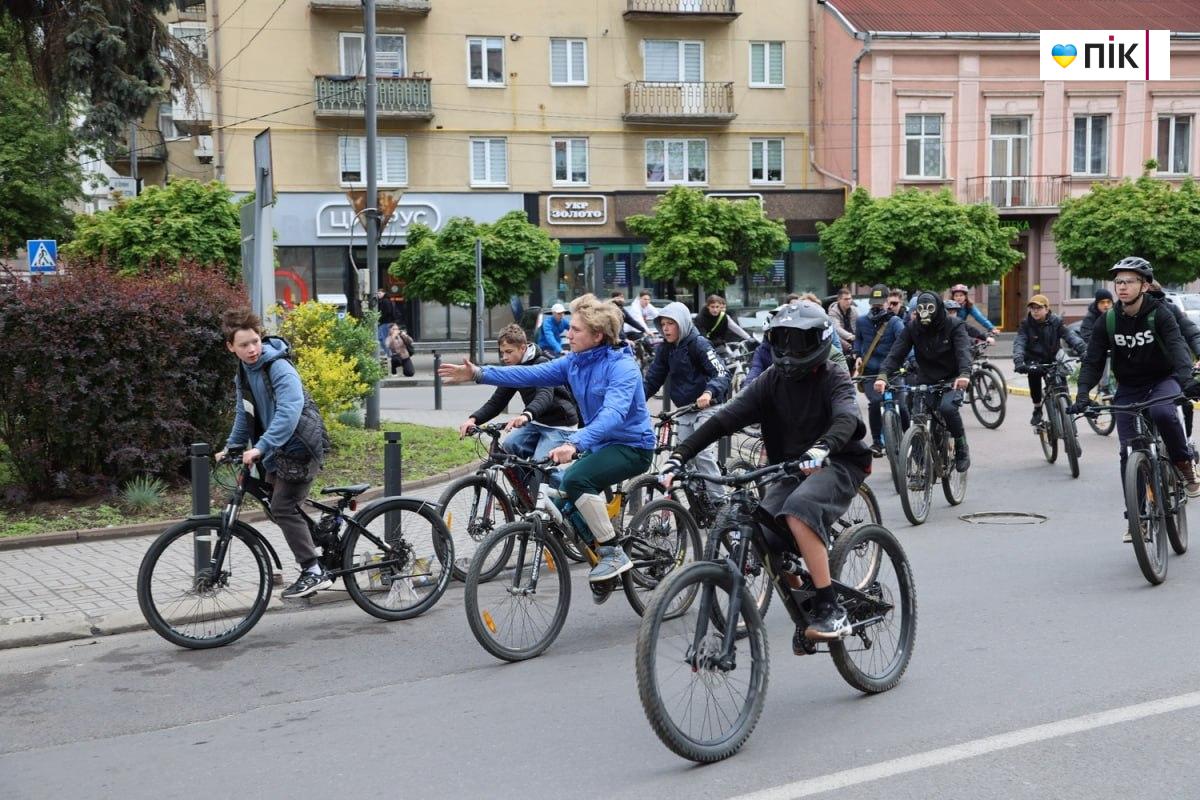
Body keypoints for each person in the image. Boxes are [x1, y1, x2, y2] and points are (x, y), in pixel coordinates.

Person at [661, 301, 872, 646]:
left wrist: (822, 447)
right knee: (764, 536)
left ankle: (830, 606)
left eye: (798, 342)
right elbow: (724, 419)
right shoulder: (770, 381)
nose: (789, 352)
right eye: (782, 341)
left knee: (799, 511)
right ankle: (805, 604)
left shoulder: (834, 375)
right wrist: (679, 456)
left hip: (837, 461)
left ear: (818, 341)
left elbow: (847, 418)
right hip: (789, 467)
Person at [439, 294, 655, 584]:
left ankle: (613, 552)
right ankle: (599, 558)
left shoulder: (622, 367)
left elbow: (612, 415)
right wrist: (479, 373)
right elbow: (528, 374)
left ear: (597, 335)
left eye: (576, 329)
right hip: (599, 443)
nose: (568, 332)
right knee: (564, 494)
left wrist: (575, 443)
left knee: (576, 479)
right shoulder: (575, 362)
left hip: (632, 446)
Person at [1069, 258, 1200, 523]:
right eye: (1118, 281)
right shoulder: (1108, 320)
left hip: (1163, 379)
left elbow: (1177, 347)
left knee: (1162, 413)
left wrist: (1187, 382)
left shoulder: (1161, 313)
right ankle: (1138, 516)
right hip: (1129, 386)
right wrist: (1083, 394)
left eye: (1129, 281)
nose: (1122, 287)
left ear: (1144, 285)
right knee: (1128, 451)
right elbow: (1093, 361)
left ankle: (1184, 464)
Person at [216, 308, 330, 600]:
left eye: (255, 341)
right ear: (231, 347)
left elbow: (289, 412)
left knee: (282, 506)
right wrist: (232, 447)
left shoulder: (278, 366)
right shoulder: (243, 372)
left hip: (299, 446)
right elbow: (246, 413)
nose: (252, 349)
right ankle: (321, 540)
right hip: (276, 449)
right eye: (243, 344)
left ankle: (313, 570)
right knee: (274, 503)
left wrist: (260, 447)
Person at [874, 291, 973, 472]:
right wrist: (883, 375)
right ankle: (921, 460)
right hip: (927, 378)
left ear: (938, 308)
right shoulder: (913, 327)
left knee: (947, 409)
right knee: (917, 415)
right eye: (921, 308)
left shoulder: (955, 325)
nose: (924, 312)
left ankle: (961, 447)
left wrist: (965, 373)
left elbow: (963, 351)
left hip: (953, 378)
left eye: (929, 308)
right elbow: (896, 353)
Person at [643, 302, 731, 497]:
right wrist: (635, 402)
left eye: (670, 323)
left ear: (682, 323)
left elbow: (722, 373)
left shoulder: (699, 344)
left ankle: (720, 503)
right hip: (685, 409)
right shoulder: (665, 349)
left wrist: (708, 393)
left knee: (702, 453)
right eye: (663, 324)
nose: (665, 328)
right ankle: (697, 507)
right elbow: (652, 380)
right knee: (684, 459)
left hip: (708, 407)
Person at [458, 324, 579, 464]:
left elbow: (545, 395)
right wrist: (473, 419)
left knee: (541, 465)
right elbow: (497, 402)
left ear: (523, 348)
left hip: (560, 425)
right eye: (502, 352)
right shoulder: (514, 369)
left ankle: (573, 485)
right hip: (536, 422)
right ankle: (525, 486)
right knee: (509, 448)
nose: (504, 357)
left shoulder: (542, 363)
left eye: (509, 352)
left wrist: (526, 415)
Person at [1012, 295, 1086, 427]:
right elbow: (1020, 342)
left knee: (1062, 385)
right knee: (1033, 377)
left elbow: (1069, 335)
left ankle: (1067, 414)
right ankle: (1037, 408)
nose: (1035, 311)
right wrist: (1019, 361)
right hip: (1034, 359)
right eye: (1032, 308)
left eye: (1039, 308)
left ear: (1047, 309)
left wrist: (1083, 350)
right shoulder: (1026, 324)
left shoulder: (1056, 321)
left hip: (1053, 358)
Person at [855, 284, 908, 457]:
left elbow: (906, 343)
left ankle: (910, 438)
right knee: (875, 403)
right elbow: (858, 342)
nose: (877, 306)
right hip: (871, 371)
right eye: (874, 303)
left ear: (887, 303)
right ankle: (877, 442)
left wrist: (911, 361)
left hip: (892, 371)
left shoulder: (895, 322)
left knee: (902, 405)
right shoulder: (862, 321)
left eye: (880, 303)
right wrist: (857, 355)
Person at [747, 302, 847, 383]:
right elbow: (753, 376)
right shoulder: (770, 373)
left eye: (791, 335)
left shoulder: (831, 358)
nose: (786, 343)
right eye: (778, 337)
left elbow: (844, 389)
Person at [826, 288, 858, 374]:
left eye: (850, 298)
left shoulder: (854, 310)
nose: (849, 301)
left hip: (853, 339)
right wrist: (851, 336)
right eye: (846, 299)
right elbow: (837, 328)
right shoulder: (833, 312)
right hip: (841, 340)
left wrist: (857, 337)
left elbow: (857, 326)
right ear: (839, 300)